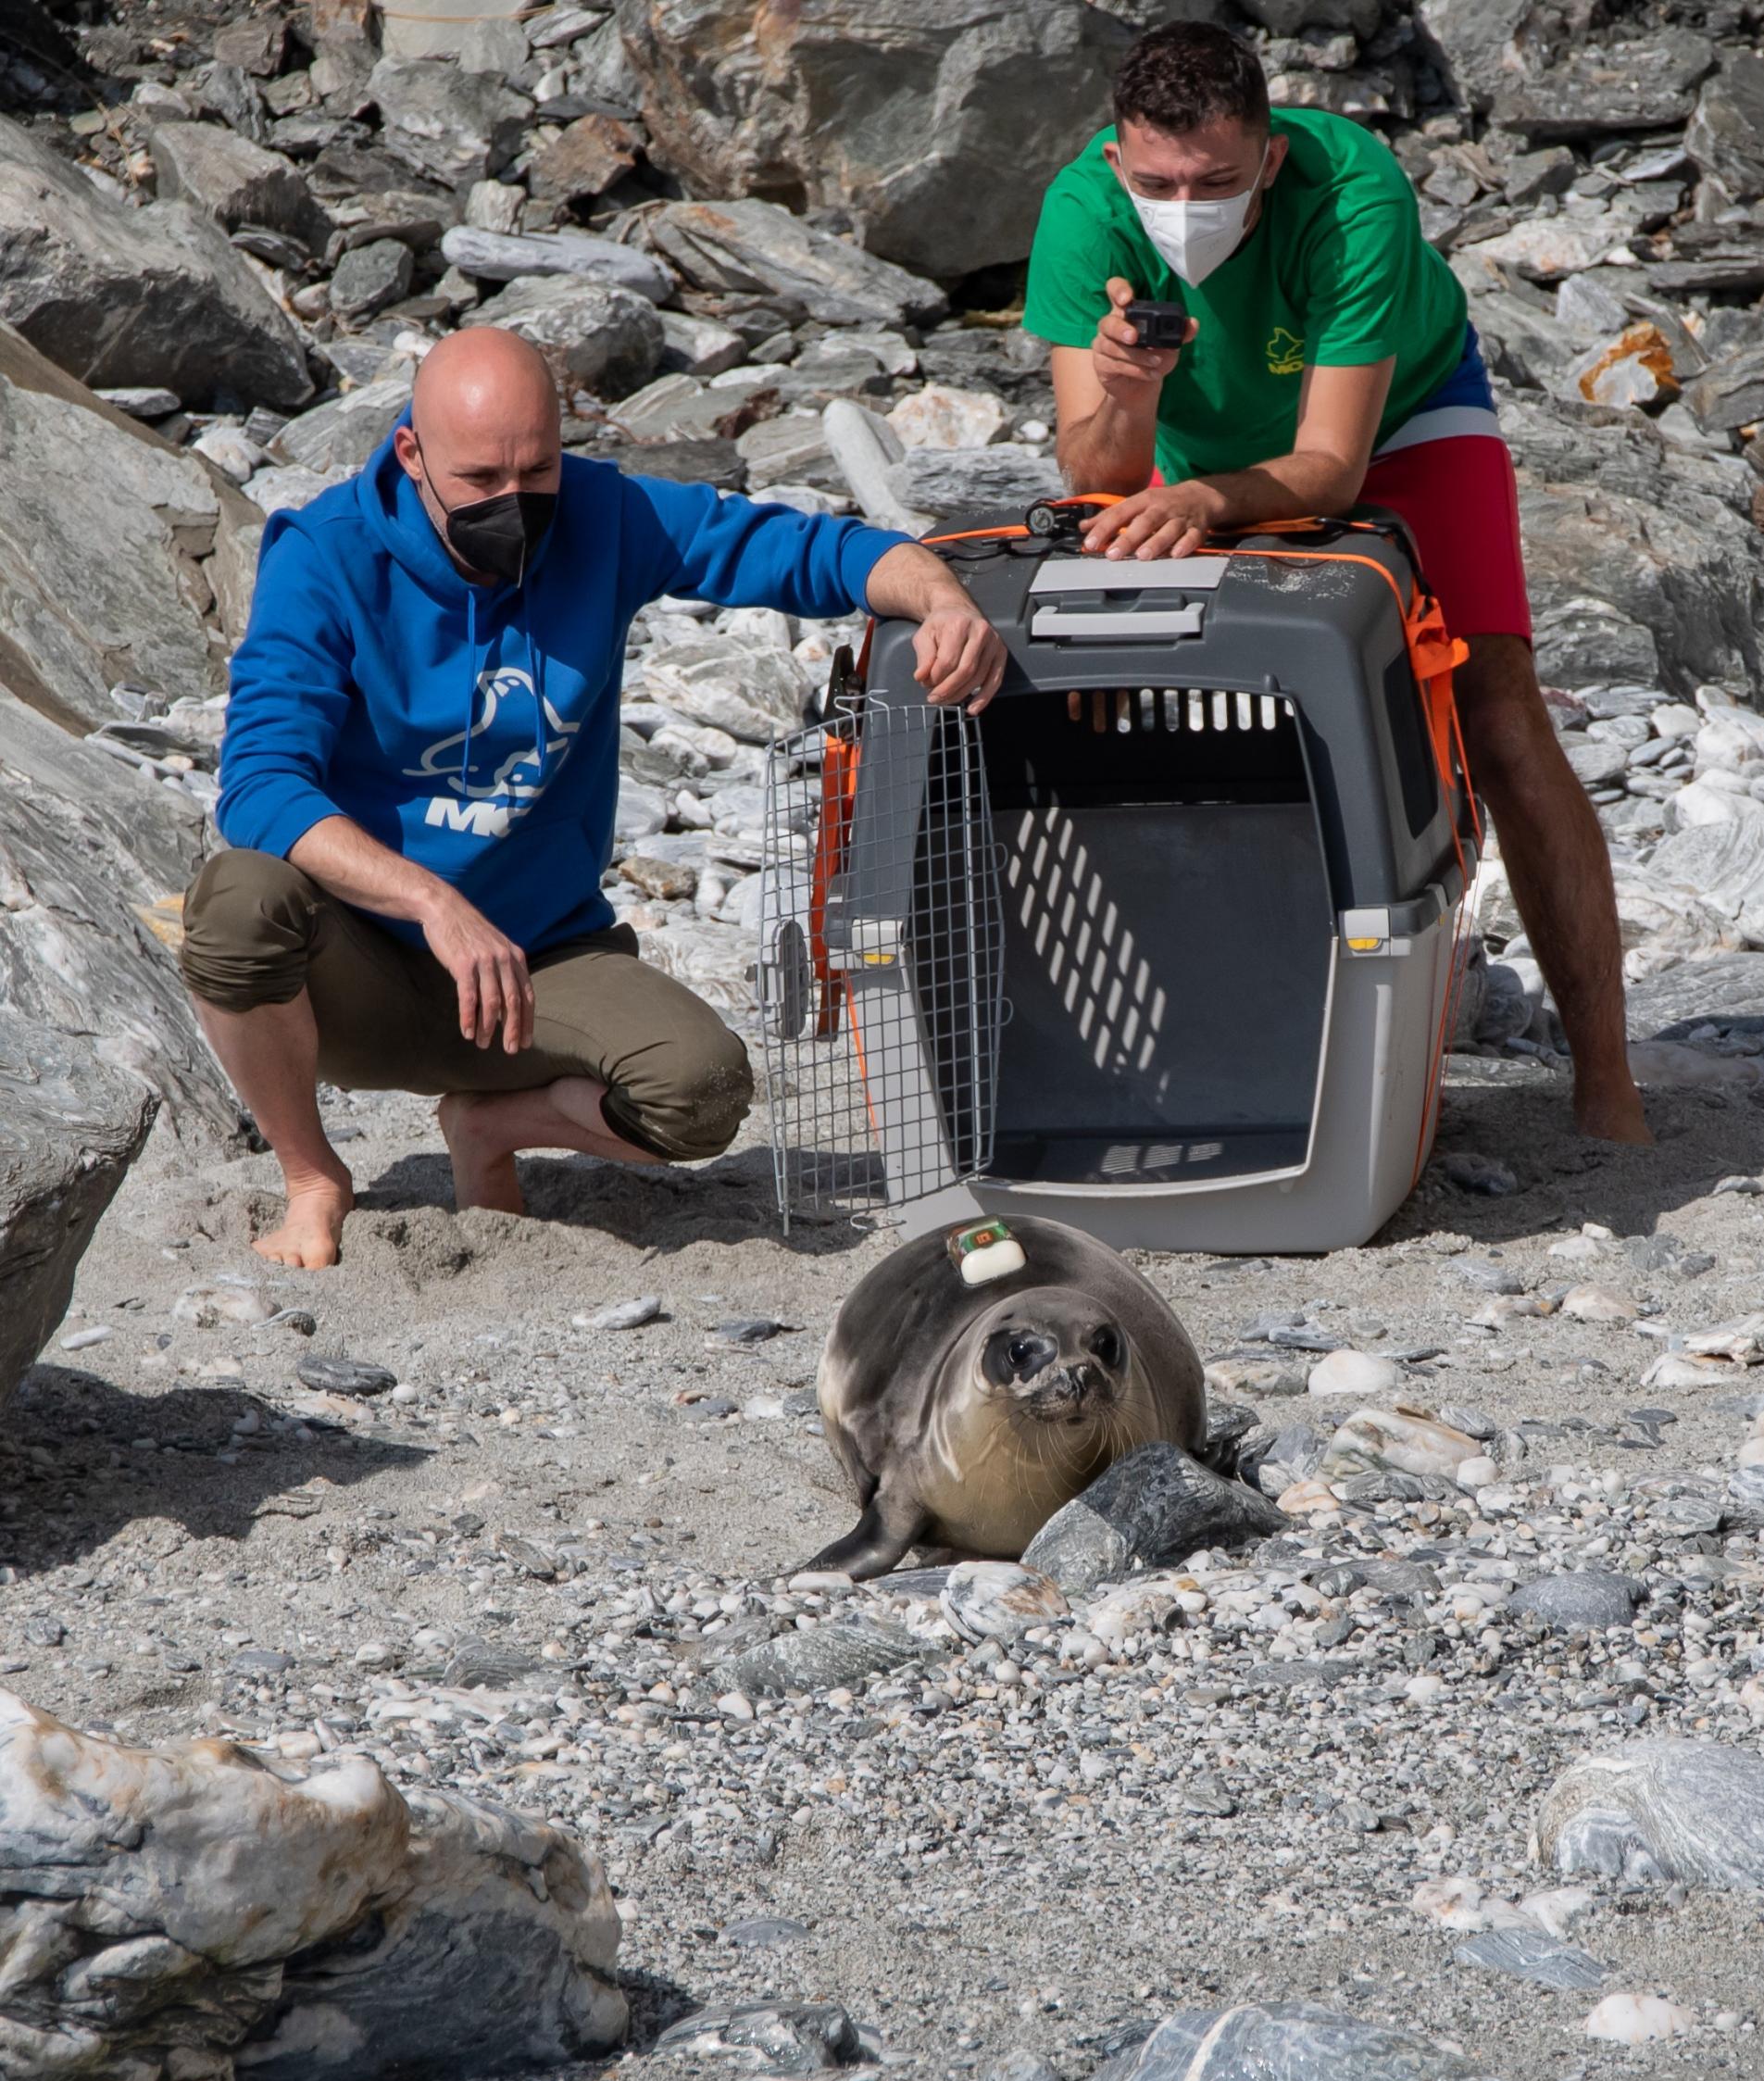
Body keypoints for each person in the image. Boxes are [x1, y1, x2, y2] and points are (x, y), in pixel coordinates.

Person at [186, 326, 1007, 1270]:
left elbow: (801, 550)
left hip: (537, 969)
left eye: (535, 470)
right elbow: (257, 786)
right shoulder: (323, 556)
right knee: (237, 901)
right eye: (481, 480)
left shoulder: (602, 517)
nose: (514, 502)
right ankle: (311, 1176)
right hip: (358, 973)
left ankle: (490, 1126)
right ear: (411, 452)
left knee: (700, 1093)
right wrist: (430, 902)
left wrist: (939, 596)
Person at [1022, 19, 1649, 1147]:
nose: (1183, 202)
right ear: (1117, 162)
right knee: (1105, 694)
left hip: (1398, 415)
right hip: (1200, 436)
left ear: (1268, 157)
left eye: (1215, 180)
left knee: (1497, 712)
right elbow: (1098, 474)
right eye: (1158, 181)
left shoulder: (1351, 189)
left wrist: (1207, 502)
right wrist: (1122, 389)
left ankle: (1606, 1083)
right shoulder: (1081, 210)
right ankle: (1152, 1048)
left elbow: (1329, 472)